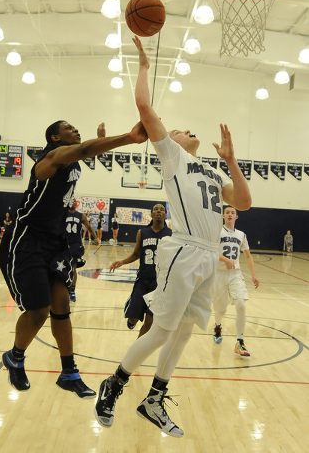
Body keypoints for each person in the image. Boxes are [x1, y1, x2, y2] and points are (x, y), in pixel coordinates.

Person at [94, 36, 252, 437]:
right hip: (182, 249)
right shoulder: (173, 156)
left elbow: (246, 202)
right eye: (179, 129)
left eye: (182, 129)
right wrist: (144, 64)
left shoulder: (215, 174)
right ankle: (114, 384)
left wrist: (231, 161)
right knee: (162, 329)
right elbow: (145, 108)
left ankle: (155, 398)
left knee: (182, 332)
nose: (184, 130)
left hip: (210, 257)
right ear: (172, 141)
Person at [0, 119, 147, 398]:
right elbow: (81, 151)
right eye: (69, 127)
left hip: (54, 241)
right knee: (39, 312)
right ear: (55, 137)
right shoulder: (50, 158)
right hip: (27, 239)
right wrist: (128, 137)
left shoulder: (73, 160)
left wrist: (100, 144)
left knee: (62, 304)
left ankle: (69, 373)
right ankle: (15, 357)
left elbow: (84, 152)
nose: (75, 129)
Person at [110, 204, 172, 337]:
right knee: (133, 318)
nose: (159, 211)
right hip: (143, 280)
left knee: (149, 322)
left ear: (165, 215)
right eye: (155, 209)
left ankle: (136, 352)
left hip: (160, 284)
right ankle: (131, 307)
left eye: (162, 209)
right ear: (151, 214)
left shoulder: (171, 235)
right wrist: (122, 261)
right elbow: (136, 254)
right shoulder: (142, 233)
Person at [212, 205, 259, 356]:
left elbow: (248, 256)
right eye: (227, 212)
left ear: (237, 217)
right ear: (223, 216)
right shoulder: (216, 232)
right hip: (218, 274)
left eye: (233, 213)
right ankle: (218, 326)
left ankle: (240, 342)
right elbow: (210, 250)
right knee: (221, 310)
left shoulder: (241, 235)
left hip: (235, 274)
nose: (230, 214)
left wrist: (253, 274)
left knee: (241, 305)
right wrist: (225, 259)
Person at [66, 199, 98, 302]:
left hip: (76, 244)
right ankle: (62, 289)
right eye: (71, 200)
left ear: (76, 203)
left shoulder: (81, 215)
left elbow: (88, 227)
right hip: (63, 244)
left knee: (73, 267)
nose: (73, 202)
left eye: (74, 200)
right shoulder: (62, 214)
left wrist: (95, 237)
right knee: (63, 268)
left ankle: (72, 291)